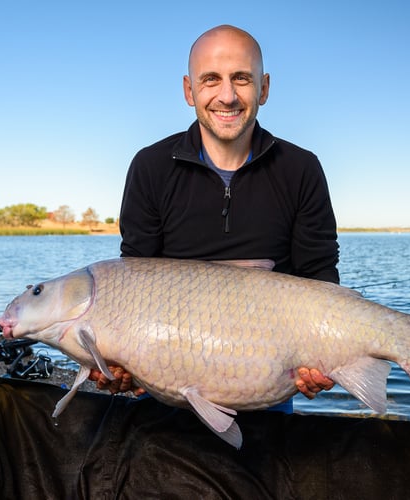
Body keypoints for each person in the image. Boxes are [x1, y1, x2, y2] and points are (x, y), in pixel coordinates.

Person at [90, 24, 337, 405]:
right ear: (189, 90)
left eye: (241, 79)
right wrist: (117, 363)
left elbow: (320, 276)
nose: (227, 96)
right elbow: (133, 276)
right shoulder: (150, 166)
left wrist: (325, 360)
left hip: (265, 382)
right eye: (211, 80)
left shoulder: (301, 168)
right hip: (165, 387)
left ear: (264, 88)